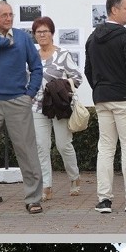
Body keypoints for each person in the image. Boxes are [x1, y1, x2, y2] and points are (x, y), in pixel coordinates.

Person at [85, 0, 126, 214]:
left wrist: (99, 89)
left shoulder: (92, 38)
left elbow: (88, 70)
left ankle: (104, 200)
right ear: (114, 10)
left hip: (102, 99)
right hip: (125, 98)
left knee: (105, 149)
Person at [0, 1, 44, 214]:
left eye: (11, 14)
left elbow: (36, 67)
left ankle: (34, 198)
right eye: (4, 15)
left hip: (18, 100)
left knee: (27, 151)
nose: (9, 18)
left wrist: (30, 94)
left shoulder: (23, 37)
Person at [31, 15, 82, 200]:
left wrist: (60, 87)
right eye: (38, 32)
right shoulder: (32, 56)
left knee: (63, 145)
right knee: (41, 147)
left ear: (52, 33)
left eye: (45, 31)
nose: (42, 35)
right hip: (37, 107)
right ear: (34, 35)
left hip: (59, 106)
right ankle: (47, 186)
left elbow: (77, 78)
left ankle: (74, 178)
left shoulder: (63, 55)